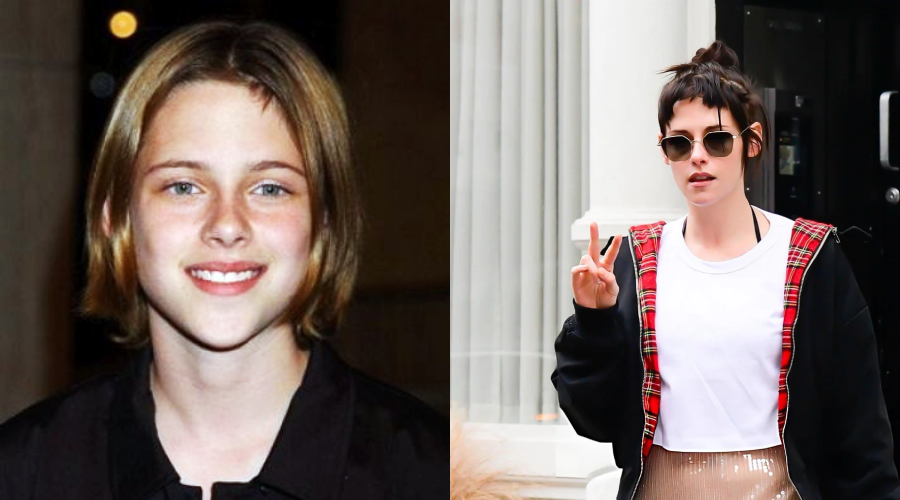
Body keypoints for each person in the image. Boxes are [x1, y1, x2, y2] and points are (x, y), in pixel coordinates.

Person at [0, 21, 447, 500]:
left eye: (270, 188)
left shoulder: (446, 475)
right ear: (115, 220)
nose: (228, 224)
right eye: (183, 186)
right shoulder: (22, 471)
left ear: (324, 222)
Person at [552, 40, 900, 500]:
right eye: (680, 143)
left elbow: (859, 425)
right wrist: (594, 320)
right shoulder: (638, 259)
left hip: (777, 489)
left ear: (751, 141)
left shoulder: (809, 256)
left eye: (716, 140)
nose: (698, 156)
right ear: (665, 153)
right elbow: (593, 419)